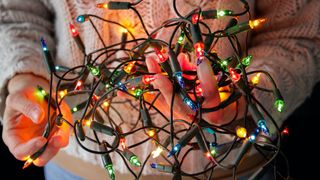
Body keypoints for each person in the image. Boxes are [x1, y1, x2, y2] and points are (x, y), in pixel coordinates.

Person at [0, 0, 319, 179]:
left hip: (237, 171)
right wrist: (26, 79)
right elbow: (16, 14)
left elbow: (300, 33)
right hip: (72, 171)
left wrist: (244, 99)